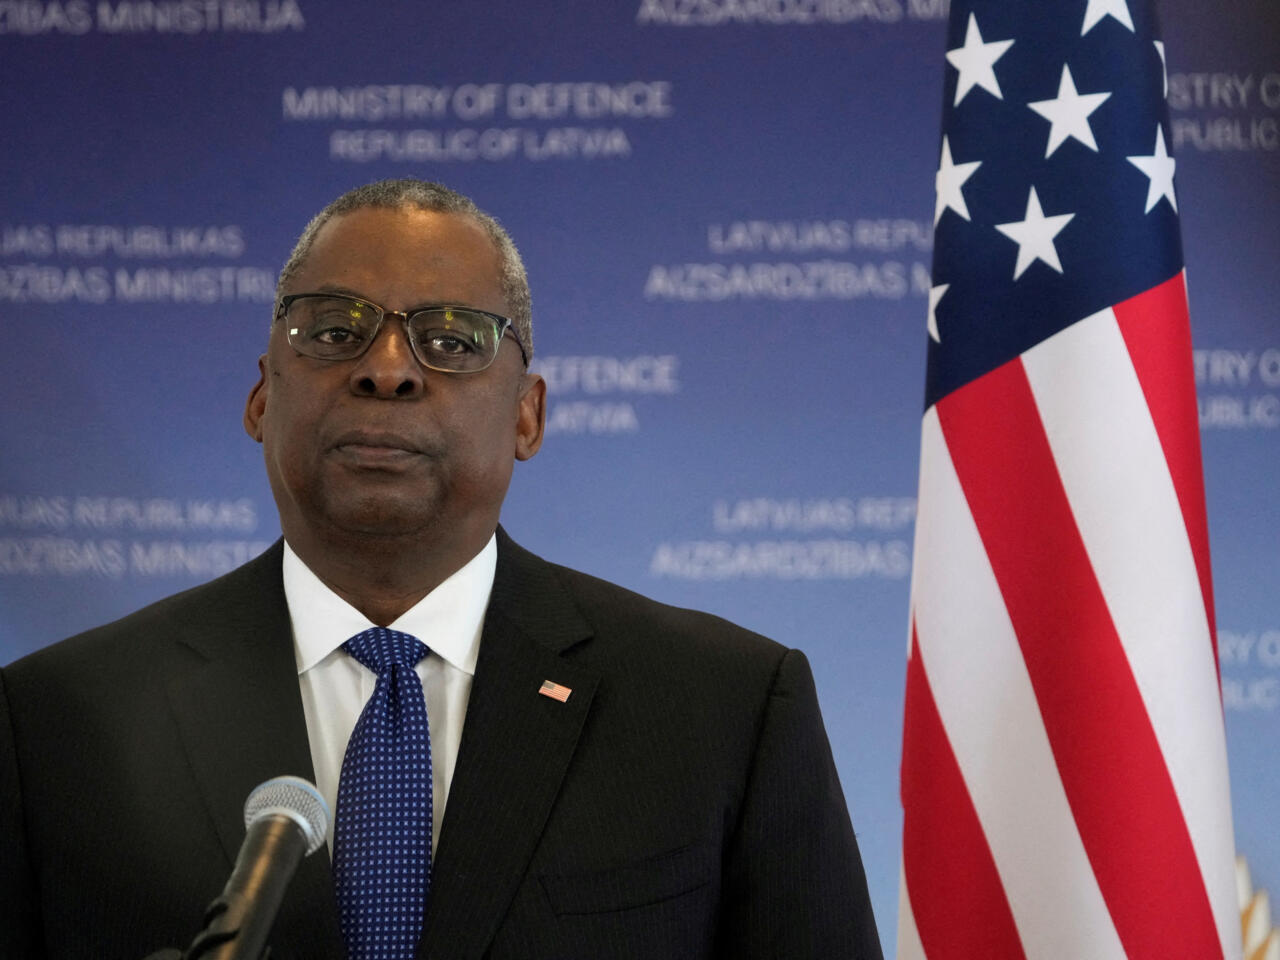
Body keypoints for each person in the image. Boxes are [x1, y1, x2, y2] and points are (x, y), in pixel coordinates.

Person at [0, 179, 882, 959]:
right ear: (262, 396)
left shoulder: (725, 708)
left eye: (452, 341)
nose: (387, 371)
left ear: (528, 416)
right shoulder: (54, 723)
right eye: (334, 331)